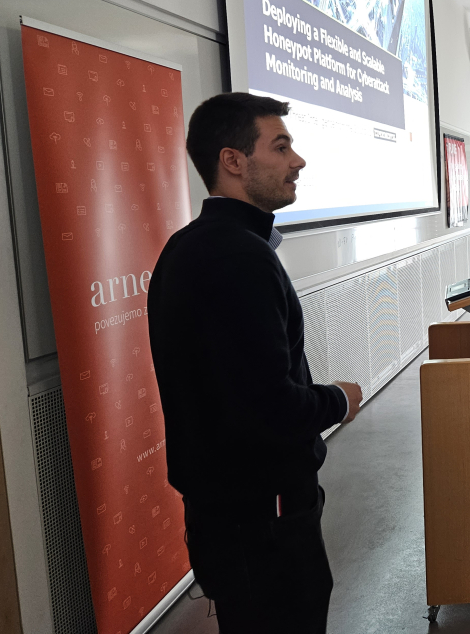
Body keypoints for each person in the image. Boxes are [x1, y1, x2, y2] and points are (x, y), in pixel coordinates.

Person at [148, 93, 363, 633]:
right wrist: (340, 400)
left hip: (231, 516)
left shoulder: (190, 246)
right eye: (281, 147)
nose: (298, 161)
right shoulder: (238, 258)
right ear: (233, 161)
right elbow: (268, 408)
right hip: (262, 523)